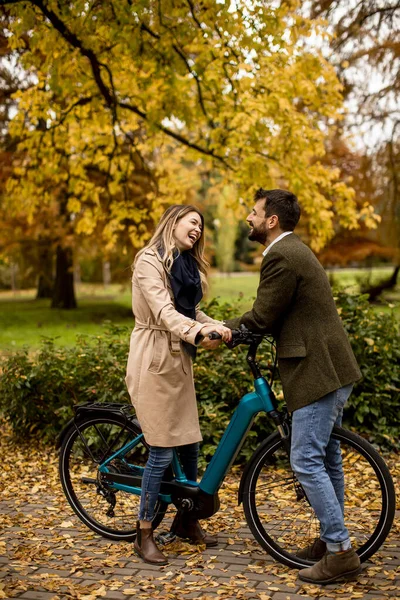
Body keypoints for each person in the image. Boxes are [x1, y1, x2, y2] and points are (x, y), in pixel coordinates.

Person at [225, 188, 362, 584]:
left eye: (253, 213)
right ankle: (329, 539)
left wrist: (224, 331)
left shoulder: (282, 255)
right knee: (327, 457)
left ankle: (339, 551)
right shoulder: (296, 249)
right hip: (333, 369)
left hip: (317, 371)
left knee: (304, 459)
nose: (248, 219)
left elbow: (264, 315)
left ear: (272, 221)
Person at [125, 204, 232, 566]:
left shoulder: (186, 265)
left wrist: (216, 325)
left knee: (190, 445)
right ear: (173, 222)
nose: (198, 229)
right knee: (161, 449)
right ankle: (144, 533)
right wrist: (197, 332)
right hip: (153, 358)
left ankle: (185, 521)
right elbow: (163, 311)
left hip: (178, 359)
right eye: (193, 222)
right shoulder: (148, 261)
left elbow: (189, 312)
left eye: (202, 225)